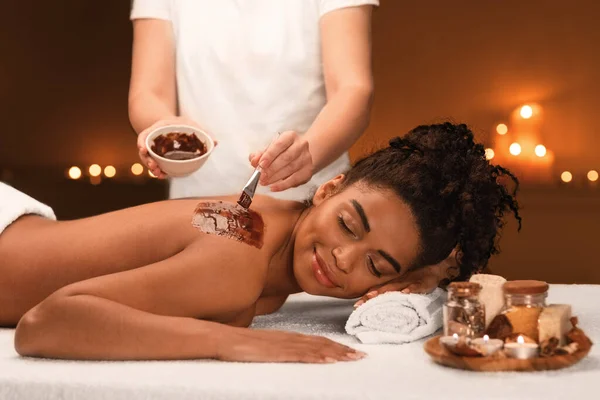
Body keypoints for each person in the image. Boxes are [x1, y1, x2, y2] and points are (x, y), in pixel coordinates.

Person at [0, 123, 521, 363]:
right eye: (348, 224)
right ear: (328, 187)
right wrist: (236, 343)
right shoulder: (237, 250)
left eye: (377, 265)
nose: (344, 258)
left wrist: (428, 271)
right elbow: (44, 324)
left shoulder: (266, 223)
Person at [129, 0, 378, 200]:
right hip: (196, 199)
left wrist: (309, 153)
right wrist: (164, 129)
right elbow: (148, 93)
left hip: (310, 201)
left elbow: (353, 89)